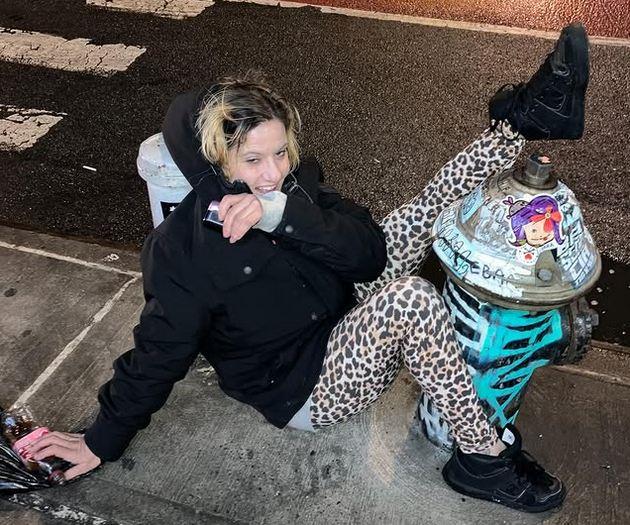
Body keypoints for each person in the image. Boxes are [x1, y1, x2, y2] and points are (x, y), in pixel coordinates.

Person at [27, 22, 589, 513]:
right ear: (216, 160)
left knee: (414, 217)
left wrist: (285, 216)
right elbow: (157, 353)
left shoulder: (291, 186)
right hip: (308, 386)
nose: (272, 172)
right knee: (412, 299)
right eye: (252, 160)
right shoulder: (184, 252)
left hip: (340, 314)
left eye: (279, 153)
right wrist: (101, 439)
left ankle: (522, 121)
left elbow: (368, 251)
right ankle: (482, 457)